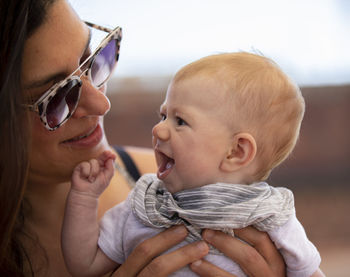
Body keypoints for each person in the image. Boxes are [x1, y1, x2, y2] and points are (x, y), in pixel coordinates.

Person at [0, 0, 290, 276]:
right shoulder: (144, 204)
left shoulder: (185, 180)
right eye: (56, 97)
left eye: (93, 60)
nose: (102, 104)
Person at [62, 52, 325, 277]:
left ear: (236, 151)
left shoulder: (269, 215)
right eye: (163, 115)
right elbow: (85, 264)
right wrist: (84, 199)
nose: (159, 129)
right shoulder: (145, 205)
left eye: (180, 121)